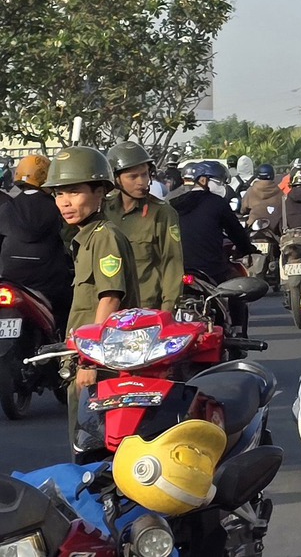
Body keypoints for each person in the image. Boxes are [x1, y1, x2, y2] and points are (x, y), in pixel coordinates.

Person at [42, 147, 140, 451]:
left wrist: (90, 360)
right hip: (89, 357)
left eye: (74, 192)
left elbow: (110, 298)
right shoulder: (86, 237)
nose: (65, 202)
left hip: (102, 364)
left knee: (95, 449)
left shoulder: (104, 237)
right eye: (59, 194)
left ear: (100, 192)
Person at [169, 160, 255, 334]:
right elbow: (236, 233)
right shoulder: (217, 203)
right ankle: (238, 331)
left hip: (174, 270)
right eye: (219, 181)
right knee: (237, 290)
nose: (222, 186)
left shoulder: (171, 204)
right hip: (210, 269)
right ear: (203, 180)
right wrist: (248, 250)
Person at [104, 142, 185, 312]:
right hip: (107, 308)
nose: (141, 182)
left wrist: (167, 311)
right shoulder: (103, 210)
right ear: (116, 179)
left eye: (145, 174)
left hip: (144, 309)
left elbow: (172, 264)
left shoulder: (162, 213)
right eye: (133, 177)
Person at [0, 155, 73, 331]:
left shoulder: (6, 208)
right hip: (50, 287)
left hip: (11, 283)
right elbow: (70, 243)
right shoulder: (59, 209)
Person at [240, 163, 284, 232]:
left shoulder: (251, 190)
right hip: (274, 227)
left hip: (253, 226)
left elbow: (243, 209)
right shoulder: (279, 192)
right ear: (272, 175)